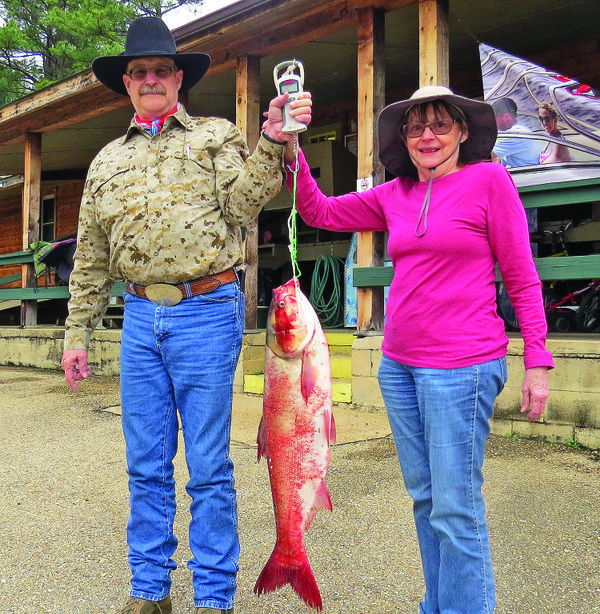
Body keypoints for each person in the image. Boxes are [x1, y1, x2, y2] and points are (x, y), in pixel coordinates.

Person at [60, 16, 311, 614]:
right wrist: (77, 333)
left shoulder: (215, 136)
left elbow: (248, 201)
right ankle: (149, 591)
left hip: (206, 312)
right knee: (145, 464)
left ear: (178, 80)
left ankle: (213, 598)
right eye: (140, 72)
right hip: (140, 320)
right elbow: (92, 257)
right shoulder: (104, 162)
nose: (151, 79)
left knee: (207, 466)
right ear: (127, 83)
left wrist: (274, 139)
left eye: (161, 71)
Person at [274, 85, 553, 614]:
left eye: (440, 124)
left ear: (463, 132)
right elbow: (319, 213)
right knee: (426, 502)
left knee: (456, 509)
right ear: (403, 138)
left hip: (464, 367)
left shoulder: (490, 181)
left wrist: (537, 361)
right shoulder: (393, 193)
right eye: (416, 127)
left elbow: (521, 276)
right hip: (400, 366)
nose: (428, 135)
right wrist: (293, 149)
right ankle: (438, 605)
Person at [491, 97, 542, 167]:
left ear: (506, 117)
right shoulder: (520, 128)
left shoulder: (515, 134)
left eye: (493, 117)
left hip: (523, 175)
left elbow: (485, 154)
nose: (491, 121)